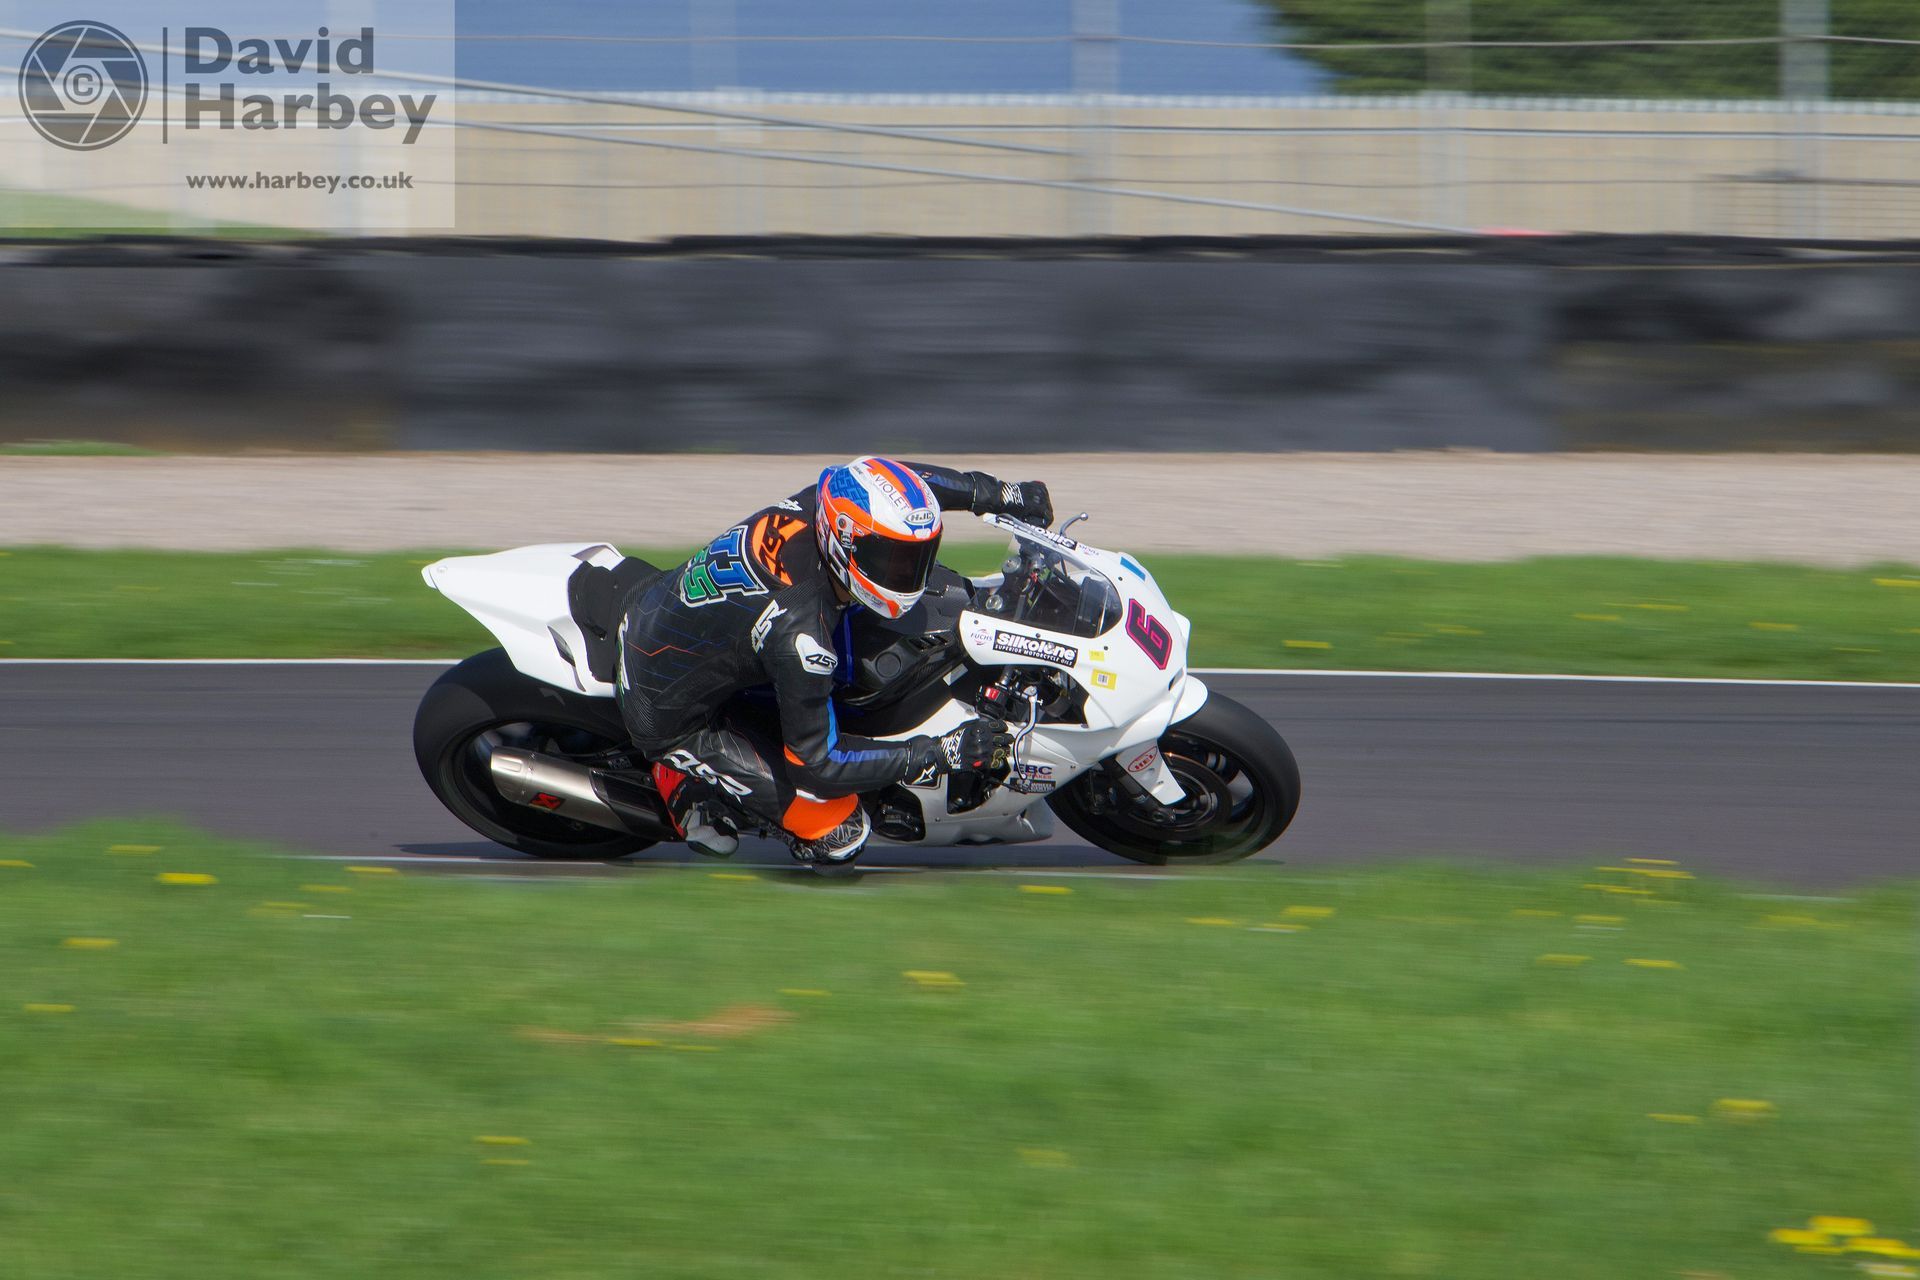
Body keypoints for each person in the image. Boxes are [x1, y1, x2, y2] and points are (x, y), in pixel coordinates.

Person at [616, 457, 1053, 866]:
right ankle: (680, 777)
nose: (909, 572)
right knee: (842, 832)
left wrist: (1000, 494)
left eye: (915, 556)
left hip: (665, 609)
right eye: (892, 559)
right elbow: (819, 766)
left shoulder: (829, 499)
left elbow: (910, 485)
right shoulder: (801, 634)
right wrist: (938, 752)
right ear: (845, 541)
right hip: (668, 710)